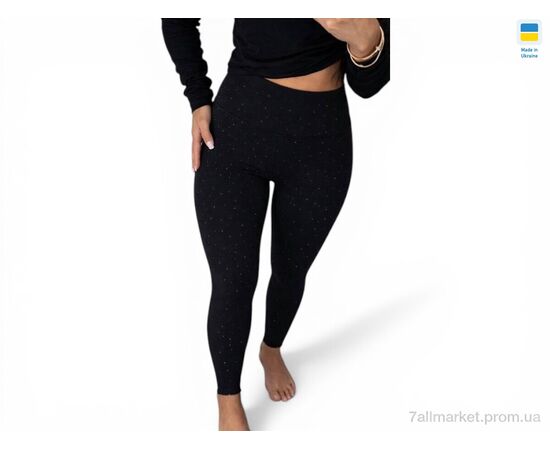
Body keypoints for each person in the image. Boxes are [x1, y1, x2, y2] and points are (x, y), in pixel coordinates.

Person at [161, 18, 390, 431]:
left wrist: (364, 38)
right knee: (233, 281)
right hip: (238, 128)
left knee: (290, 270)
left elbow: (368, 85)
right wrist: (197, 97)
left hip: (321, 141)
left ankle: (271, 348)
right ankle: (228, 399)